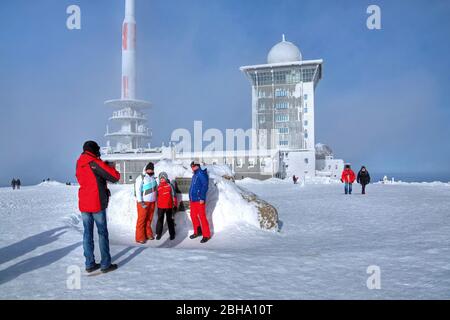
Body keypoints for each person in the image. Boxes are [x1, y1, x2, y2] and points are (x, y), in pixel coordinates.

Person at [76, 140, 120, 274]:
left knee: (87, 234)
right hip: (96, 203)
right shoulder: (94, 162)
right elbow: (115, 177)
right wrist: (109, 167)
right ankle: (105, 264)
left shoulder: (79, 162)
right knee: (102, 233)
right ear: (94, 150)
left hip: (84, 203)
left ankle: (89, 264)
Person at [134, 162, 157, 244]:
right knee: (141, 219)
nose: (150, 170)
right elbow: (138, 190)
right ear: (146, 169)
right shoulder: (141, 178)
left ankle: (148, 234)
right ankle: (139, 237)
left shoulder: (154, 178)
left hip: (152, 202)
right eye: (148, 169)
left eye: (151, 169)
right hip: (143, 202)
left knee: (149, 219)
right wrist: (140, 201)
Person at [188, 160, 211, 243]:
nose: (192, 168)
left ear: (197, 166)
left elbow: (205, 185)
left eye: (194, 166)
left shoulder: (201, 173)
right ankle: (197, 231)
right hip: (193, 199)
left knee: (202, 217)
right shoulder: (195, 174)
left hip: (199, 199)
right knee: (193, 215)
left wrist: (202, 198)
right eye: (192, 166)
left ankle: (206, 235)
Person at [155, 172, 178, 240]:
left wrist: (175, 204)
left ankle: (172, 234)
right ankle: (158, 233)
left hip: (169, 206)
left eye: (163, 178)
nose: (162, 179)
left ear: (166, 178)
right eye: (161, 178)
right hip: (160, 206)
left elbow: (174, 195)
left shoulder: (170, 185)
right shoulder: (158, 186)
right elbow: (156, 195)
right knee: (160, 220)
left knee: (170, 220)